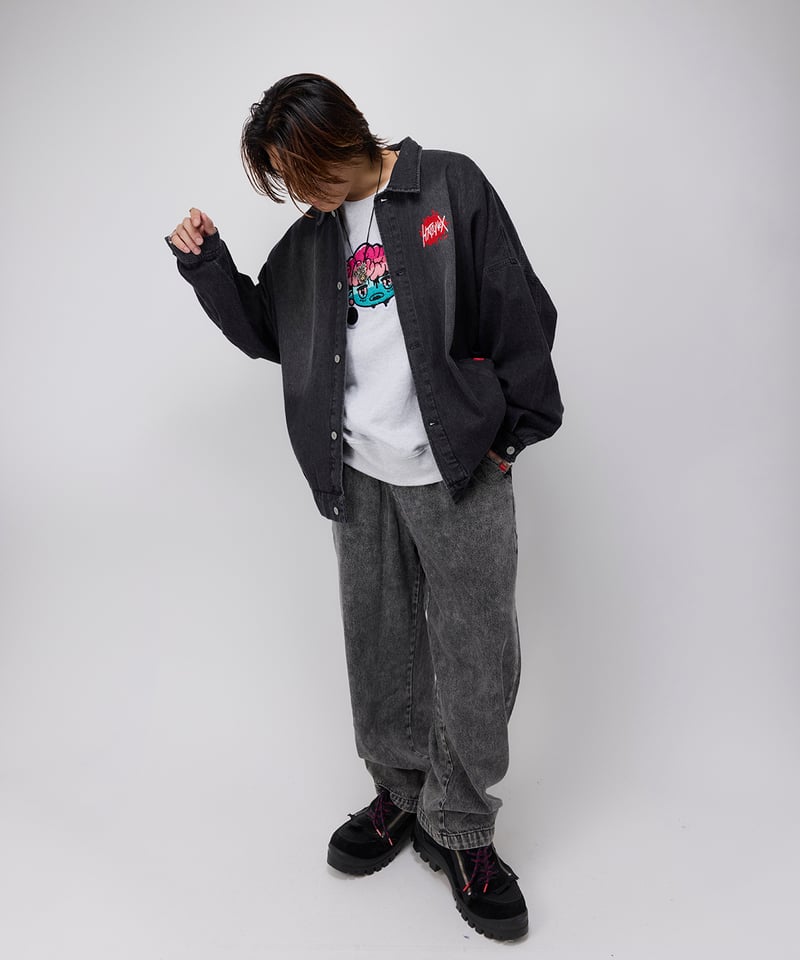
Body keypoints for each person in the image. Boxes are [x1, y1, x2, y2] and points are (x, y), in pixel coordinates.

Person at [165, 72, 563, 942]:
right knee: (379, 646)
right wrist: (208, 266)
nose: (302, 193)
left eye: (305, 172)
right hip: (359, 477)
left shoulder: (447, 185)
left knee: (475, 653)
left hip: (458, 471)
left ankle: (462, 828)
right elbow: (269, 330)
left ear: (342, 134)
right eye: (286, 181)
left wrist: (515, 434)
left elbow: (518, 304)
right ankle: (401, 793)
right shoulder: (312, 239)